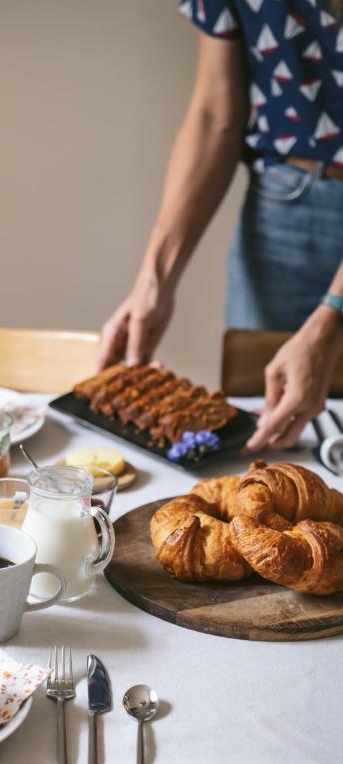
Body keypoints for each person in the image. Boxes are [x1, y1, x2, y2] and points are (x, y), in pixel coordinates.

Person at [97, 0, 343, 451]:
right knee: (272, 435)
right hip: (282, 208)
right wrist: (154, 279)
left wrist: (333, 315)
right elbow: (214, 115)